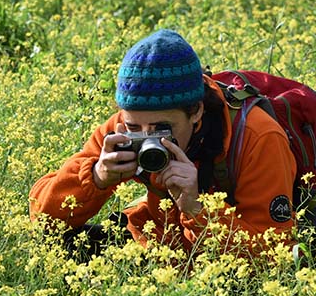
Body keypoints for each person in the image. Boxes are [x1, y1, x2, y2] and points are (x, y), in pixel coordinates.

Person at [29, 29, 297, 261]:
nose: (147, 138)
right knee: (51, 246)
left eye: (161, 129)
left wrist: (197, 208)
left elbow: (273, 254)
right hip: (156, 240)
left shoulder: (257, 137)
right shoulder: (122, 128)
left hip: (218, 259)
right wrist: (96, 178)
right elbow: (42, 219)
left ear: (196, 112)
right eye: (135, 128)